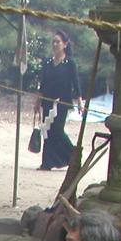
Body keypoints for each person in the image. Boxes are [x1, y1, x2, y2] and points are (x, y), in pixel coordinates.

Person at [34, 30, 82, 171]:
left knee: (57, 130)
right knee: (46, 131)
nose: (55, 44)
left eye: (58, 42)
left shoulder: (69, 63)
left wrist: (79, 102)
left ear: (65, 44)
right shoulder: (48, 63)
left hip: (62, 102)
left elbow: (75, 83)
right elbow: (43, 83)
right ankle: (47, 162)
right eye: (53, 41)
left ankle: (73, 156)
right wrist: (37, 102)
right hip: (48, 101)